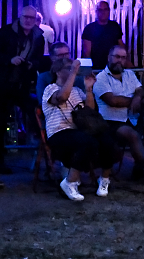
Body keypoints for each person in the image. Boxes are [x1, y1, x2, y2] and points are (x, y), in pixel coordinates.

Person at [42, 55, 112, 201]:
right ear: (57, 71)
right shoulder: (50, 89)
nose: (73, 70)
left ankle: (104, 180)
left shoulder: (77, 90)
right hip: (59, 132)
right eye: (68, 68)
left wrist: (88, 89)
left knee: (107, 139)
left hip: (79, 130)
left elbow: (90, 111)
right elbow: (61, 97)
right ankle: (70, 182)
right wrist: (74, 73)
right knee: (88, 142)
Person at [0, 7, 46, 151]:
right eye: (26, 17)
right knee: (0, 122)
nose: (28, 20)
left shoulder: (39, 36)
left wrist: (31, 64)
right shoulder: (6, 32)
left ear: (36, 20)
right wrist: (9, 60)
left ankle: (41, 147)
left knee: (32, 110)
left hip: (20, 84)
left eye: (31, 18)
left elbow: (39, 59)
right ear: (20, 17)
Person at [93, 45, 144, 179]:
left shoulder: (130, 74)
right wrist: (135, 100)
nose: (119, 60)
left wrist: (138, 97)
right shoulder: (100, 78)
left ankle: (142, 166)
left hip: (133, 117)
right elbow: (112, 100)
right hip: (110, 122)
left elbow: (140, 90)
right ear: (108, 58)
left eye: (123, 58)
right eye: (117, 57)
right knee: (132, 134)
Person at [80, 1, 124, 70]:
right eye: (100, 10)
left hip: (113, 66)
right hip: (96, 67)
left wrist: (125, 62)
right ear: (96, 12)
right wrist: (88, 69)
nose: (103, 12)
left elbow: (121, 46)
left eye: (105, 9)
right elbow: (86, 52)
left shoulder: (115, 26)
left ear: (109, 11)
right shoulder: (89, 28)